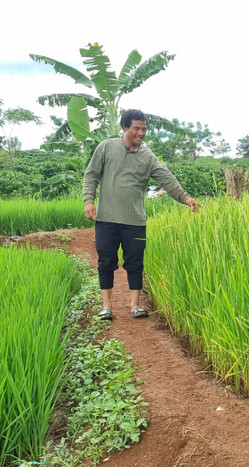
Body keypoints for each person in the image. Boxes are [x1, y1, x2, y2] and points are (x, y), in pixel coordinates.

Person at [83, 109, 199, 320]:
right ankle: (106, 307)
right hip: (106, 218)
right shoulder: (107, 147)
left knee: (135, 262)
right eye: (137, 128)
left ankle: (135, 305)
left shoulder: (148, 157)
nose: (141, 133)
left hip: (135, 221)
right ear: (125, 127)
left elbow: (167, 180)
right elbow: (91, 175)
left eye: (144, 129)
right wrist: (88, 201)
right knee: (106, 262)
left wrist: (186, 198)